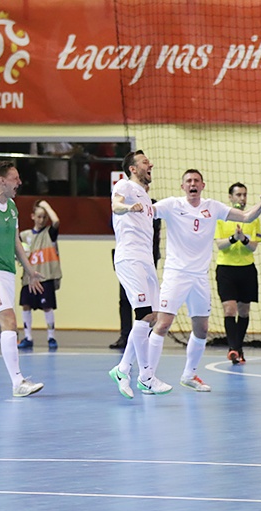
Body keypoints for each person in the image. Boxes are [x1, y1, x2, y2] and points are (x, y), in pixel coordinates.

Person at [147, 169, 261, 392]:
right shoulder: (172, 205)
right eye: (188, 181)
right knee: (163, 324)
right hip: (176, 274)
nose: (192, 184)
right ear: (182, 186)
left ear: (202, 185)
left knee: (202, 329)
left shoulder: (212, 207)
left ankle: (189, 375)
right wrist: (131, 201)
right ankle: (147, 377)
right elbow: (149, 211)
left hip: (199, 277)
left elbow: (245, 217)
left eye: (196, 181)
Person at [108, 151, 167, 398]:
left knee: (151, 316)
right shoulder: (125, 184)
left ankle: (123, 368)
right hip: (129, 257)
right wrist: (127, 207)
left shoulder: (146, 196)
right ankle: (146, 377)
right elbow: (116, 204)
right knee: (143, 313)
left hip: (146, 260)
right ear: (133, 168)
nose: (150, 164)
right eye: (144, 162)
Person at [0, 161, 45, 397]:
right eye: (15, 178)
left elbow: (16, 242)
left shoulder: (12, 207)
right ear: (2, 180)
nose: (19, 182)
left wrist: (29, 270)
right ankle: (18, 382)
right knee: (10, 321)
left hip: (8, 273)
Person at [214, 182, 261, 365]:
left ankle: (238, 347)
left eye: (244, 195)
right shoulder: (221, 218)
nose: (242, 199)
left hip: (247, 269)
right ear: (230, 197)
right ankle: (233, 348)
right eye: (238, 195)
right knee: (229, 309)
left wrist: (243, 240)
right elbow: (220, 244)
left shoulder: (253, 218)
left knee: (243, 311)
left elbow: (253, 247)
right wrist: (234, 237)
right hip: (226, 268)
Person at [17, 199, 62, 350]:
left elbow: (56, 221)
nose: (42, 220)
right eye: (39, 216)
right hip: (29, 278)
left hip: (45, 276)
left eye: (44, 216)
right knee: (26, 305)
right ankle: (28, 337)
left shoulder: (49, 233)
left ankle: (51, 337)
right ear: (32, 217)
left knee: (47, 307)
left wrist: (46, 206)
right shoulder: (24, 236)